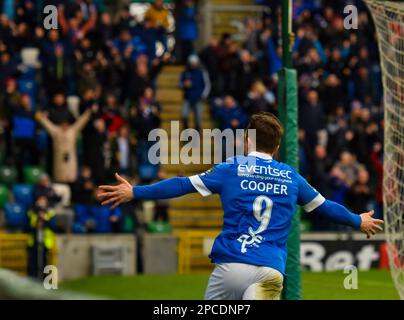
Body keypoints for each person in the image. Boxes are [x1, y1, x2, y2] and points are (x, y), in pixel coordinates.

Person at [97, 112, 384, 300]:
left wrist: (135, 191)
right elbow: (324, 207)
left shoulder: (231, 168)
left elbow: (182, 185)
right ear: (277, 146)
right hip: (270, 269)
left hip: (231, 266)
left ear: (248, 140)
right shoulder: (291, 177)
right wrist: (358, 221)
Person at [179, 54, 210, 133]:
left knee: (198, 117)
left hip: (198, 98)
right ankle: (186, 133)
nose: (193, 64)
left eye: (194, 63)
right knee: (184, 115)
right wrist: (184, 84)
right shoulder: (185, 72)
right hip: (187, 97)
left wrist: (203, 95)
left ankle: (197, 133)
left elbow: (207, 84)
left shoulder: (202, 72)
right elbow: (179, 83)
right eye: (192, 63)